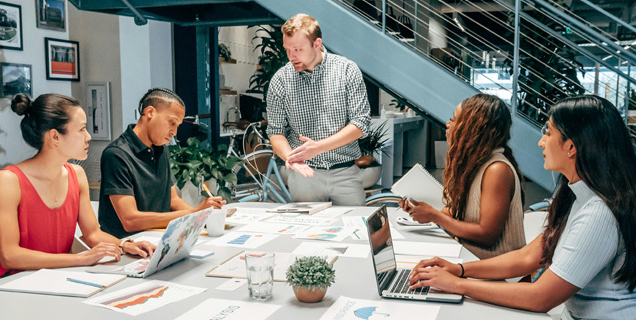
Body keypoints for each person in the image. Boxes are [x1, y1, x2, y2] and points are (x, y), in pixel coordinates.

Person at [408, 96, 636, 318]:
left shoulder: (598, 213)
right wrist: (459, 270)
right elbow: (529, 257)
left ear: (571, 147)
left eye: (548, 133)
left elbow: (541, 297)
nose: (541, 142)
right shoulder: (575, 196)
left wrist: (457, 284)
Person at [0, 93, 156, 277]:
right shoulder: (7, 181)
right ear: (55, 136)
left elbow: (93, 234)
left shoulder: (77, 174)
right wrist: (82, 258)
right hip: (11, 286)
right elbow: (10, 256)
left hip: (59, 278)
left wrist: (126, 246)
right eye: (81, 129)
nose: (88, 136)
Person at [399, 94, 525, 259]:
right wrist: (421, 210)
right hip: (472, 259)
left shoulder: (496, 170)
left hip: (500, 273)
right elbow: (458, 211)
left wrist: (434, 216)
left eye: (453, 119)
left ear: (473, 128)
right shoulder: (475, 164)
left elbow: (487, 235)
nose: (448, 124)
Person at [266, 13, 371, 206]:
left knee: (355, 231)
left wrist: (319, 147)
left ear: (317, 44)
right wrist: (291, 157)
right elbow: (276, 132)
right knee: (306, 234)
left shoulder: (347, 70)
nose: (291, 57)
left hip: (345, 174)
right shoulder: (281, 80)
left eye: (298, 49)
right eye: (287, 50)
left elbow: (360, 124)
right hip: (304, 176)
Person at [98, 88, 225, 239]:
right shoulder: (116, 154)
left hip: (158, 239)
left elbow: (172, 199)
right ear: (150, 112)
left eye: (177, 125)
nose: (174, 132)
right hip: (126, 246)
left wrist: (202, 217)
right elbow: (130, 220)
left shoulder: (160, 150)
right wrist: (194, 212)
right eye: (172, 123)